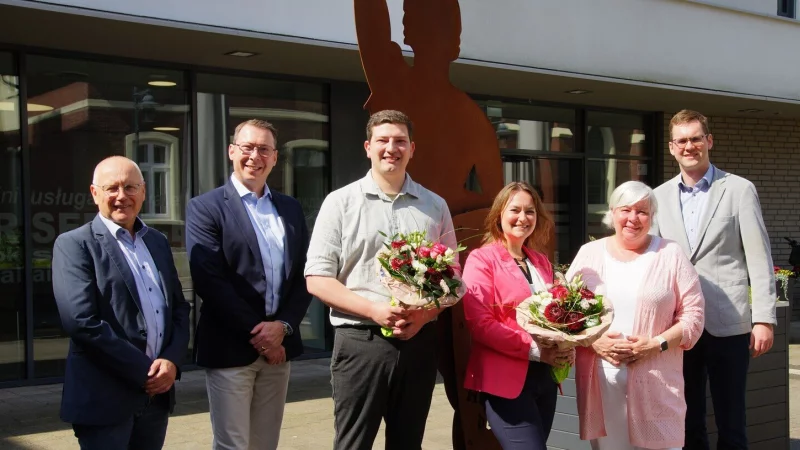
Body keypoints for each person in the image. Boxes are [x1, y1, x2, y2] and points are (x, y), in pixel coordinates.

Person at [305, 110, 457, 450]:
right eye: (383, 141)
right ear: (368, 147)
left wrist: (425, 315)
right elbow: (317, 278)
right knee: (353, 444)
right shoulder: (340, 203)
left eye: (400, 141)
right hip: (361, 343)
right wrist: (373, 310)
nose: (392, 148)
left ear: (412, 148)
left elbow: (453, 279)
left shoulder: (435, 205)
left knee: (408, 443)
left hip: (419, 342)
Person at [652, 109, 777, 450]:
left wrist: (764, 318)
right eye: (682, 140)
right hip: (679, 326)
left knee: (731, 419)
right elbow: (652, 261)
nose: (689, 146)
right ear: (672, 148)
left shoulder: (738, 190)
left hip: (729, 323)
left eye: (695, 138)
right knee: (687, 418)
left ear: (709, 141)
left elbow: (758, 257)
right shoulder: (658, 198)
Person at [186, 119, 312, 450]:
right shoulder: (205, 208)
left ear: (274, 157)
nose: (254, 156)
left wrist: (283, 327)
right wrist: (262, 335)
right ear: (232, 152)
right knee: (233, 445)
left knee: (265, 443)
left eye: (264, 149)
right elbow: (209, 280)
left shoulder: (290, 208)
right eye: (247, 147)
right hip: (230, 345)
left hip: (279, 350)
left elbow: (303, 274)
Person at [52, 156, 191, 450]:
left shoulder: (157, 241)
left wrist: (172, 361)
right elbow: (81, 322)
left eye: (130, 187)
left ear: (143, 191)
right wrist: (145, 371)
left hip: (155, 399)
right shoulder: (75, 244)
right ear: (94, 193)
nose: (121, 196)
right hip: (105, 398)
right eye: (111, 188)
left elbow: (178, 307)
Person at [567, 181, 705, 450]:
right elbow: (566, 313)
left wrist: (656, 344)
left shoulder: (670, 253)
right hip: (602, 386)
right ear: (612, 212)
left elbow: (694, 316)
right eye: (625, 209)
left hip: (657, 385)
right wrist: (593, 341)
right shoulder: (589, 254)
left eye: (642, 211)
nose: (633, 218)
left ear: (652, 217)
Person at [461, 182, 574, 449]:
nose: (523, 218)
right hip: (505, 381)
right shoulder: (481, 260)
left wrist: (567, 344)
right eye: (515, 210)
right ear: (499, 214)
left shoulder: (541, 261)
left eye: (530, 211)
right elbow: (480, 324)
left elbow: (557, 317)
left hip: (545, 379)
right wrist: (535, 349)